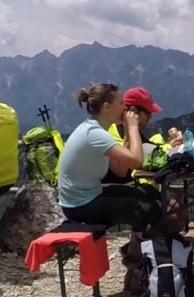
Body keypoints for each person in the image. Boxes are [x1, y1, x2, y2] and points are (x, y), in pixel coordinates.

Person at [58, 83, 163, 232]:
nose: (124, 108)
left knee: (148, 191)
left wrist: (127, 131)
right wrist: (133, 127)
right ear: (107, 107)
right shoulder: (94, 134)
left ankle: (140, 248)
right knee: (150, 209)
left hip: (87, 196)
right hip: (79, 205)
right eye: (121, 103)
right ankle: (141, 251)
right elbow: (136, 161)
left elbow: (120, 170)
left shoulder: (96, 130)